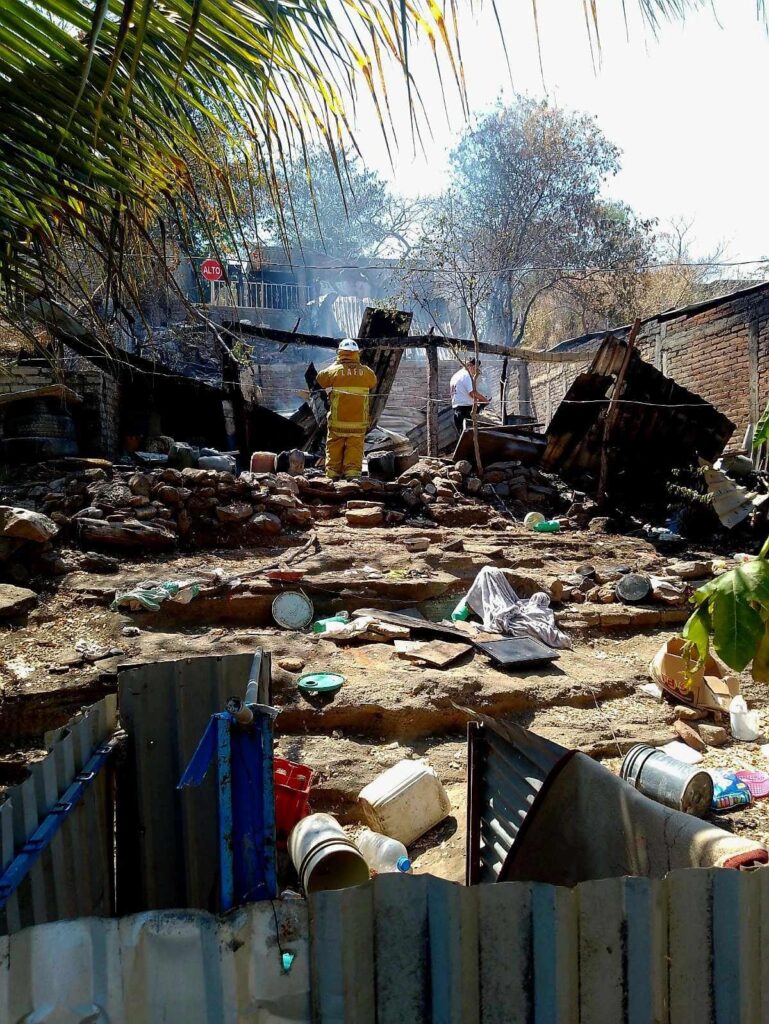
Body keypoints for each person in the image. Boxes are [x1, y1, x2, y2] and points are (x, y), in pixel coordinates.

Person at [316, 339, 378, 480]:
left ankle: (332, 475)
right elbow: (373, 381)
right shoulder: (366, 372)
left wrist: (337, 363)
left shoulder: (333, 371)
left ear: (340, 353)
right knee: (355, 448)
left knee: (334, 447)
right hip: (358, 422)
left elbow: (320, 378)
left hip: (338, 421)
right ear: (356, 354)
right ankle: (352, 476)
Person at [450, 357, 490, 434]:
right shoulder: (467, 375)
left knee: (462, 436)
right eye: (476, 368)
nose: (476, 371)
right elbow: (472, 393)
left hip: (456, 409)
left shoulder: (455, 376)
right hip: (466, 410)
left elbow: (462, 393)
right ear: (471, 366)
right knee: (470, 435)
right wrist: (484, 400)